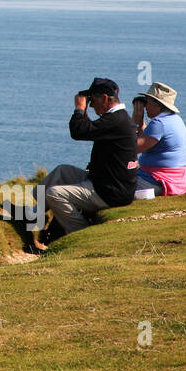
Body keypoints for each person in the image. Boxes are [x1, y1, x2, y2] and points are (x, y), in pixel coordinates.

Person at [38, 77, 140, 246]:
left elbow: (79, 132)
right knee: (62, 171)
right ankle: (33, 214)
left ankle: (81, 234)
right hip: (108, 183)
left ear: (105, 99)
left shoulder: (115, 121)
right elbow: (88, 130)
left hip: (109, 192)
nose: (91, 106)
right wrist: (83, 111)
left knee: (54, 194)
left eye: (93, 100)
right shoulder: (118, 118)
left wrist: (79, 108)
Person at [132, 82, 186, 196]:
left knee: (114, 186)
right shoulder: (173, 119)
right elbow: (148, 138)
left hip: (157, 180)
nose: (145, 106)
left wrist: (134, 122)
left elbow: (131, 149)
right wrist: (140, 123)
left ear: (158, 105)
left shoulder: (159, 123)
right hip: (175, 180)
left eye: (147, 102)